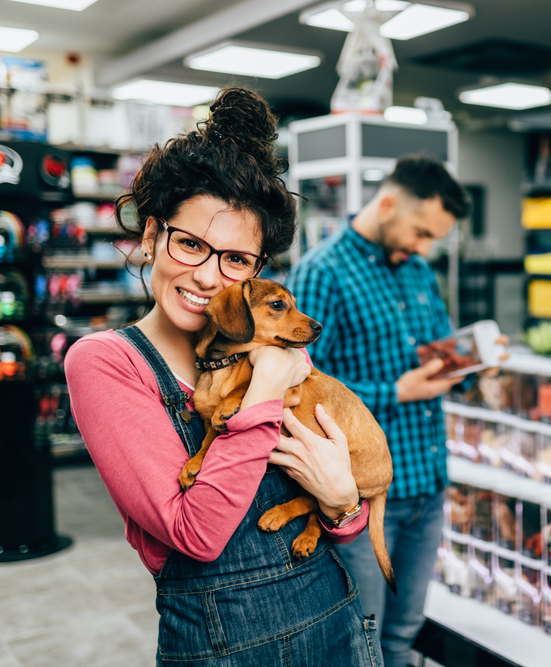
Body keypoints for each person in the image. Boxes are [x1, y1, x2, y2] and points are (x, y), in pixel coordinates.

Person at [65, 88, 383, 667]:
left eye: (236, 260)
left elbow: (338, 523)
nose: (211, 278)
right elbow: (197, 535)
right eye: (190, 244)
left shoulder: (268, 341)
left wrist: (341, 505)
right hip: (223, 648)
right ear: (151, 235)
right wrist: (265, 388)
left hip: (335, 621)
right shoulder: (109, 362)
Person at [287, 155, 474, 667]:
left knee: (403, 633)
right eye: (420, 232)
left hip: (427, 485)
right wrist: (398, 391)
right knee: (361, 636)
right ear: (387, 204)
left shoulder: (416, 271)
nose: (423, 247)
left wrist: (473, 362)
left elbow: (439, 353)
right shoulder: (322, 273)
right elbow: (301, 390)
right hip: (364, 497)